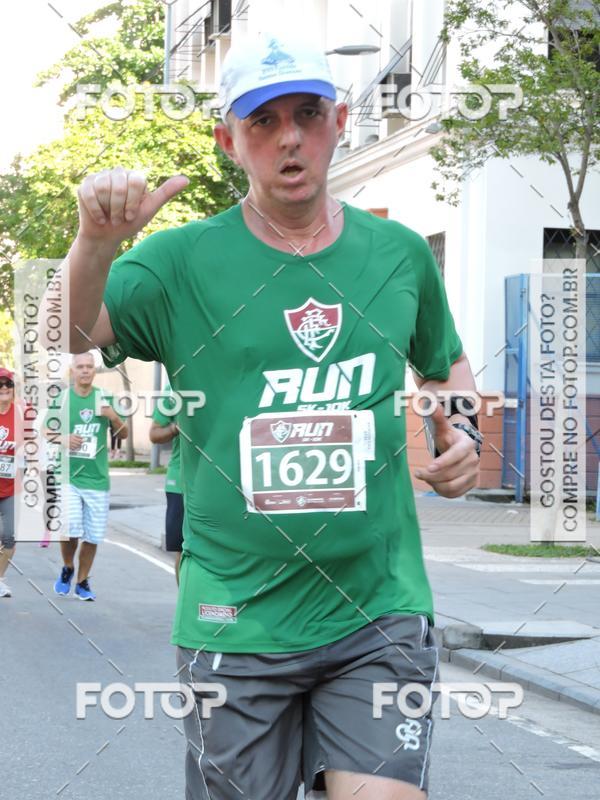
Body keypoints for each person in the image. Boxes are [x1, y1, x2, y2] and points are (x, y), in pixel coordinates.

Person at [48, 32, 483, 800]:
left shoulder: (399, 253)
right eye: (262, 121)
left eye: (308, 114)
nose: (289, 137)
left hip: (376, 609)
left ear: (339, 122)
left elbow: (443, 361)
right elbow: (64, 335)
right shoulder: (175, 263)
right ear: (229, 142)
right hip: (235, 620)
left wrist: (464, 435)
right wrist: (95, 247)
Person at [46, 353, 126, 601]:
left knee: (92, 536)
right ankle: (68, 566)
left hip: (97, 479)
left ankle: (82, 581)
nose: (85, 371)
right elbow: (48, 431)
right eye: (80, 366)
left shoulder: (105, 398)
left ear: (94, 370)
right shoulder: (63, 398)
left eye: (89, 367)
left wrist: (112, 415)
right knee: (70, 527)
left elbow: (122, 435)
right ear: (72, 370)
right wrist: (64, 439)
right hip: (68, 476)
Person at [149, 383, 184, 581]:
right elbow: (154, 434)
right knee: (182, 549)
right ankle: (184, 606)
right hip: (180, 482)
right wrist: (175, 428)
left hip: (216, 483)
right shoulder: (173, 386)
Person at [0, 368, 20, 597]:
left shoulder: (22, 414)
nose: (4, 388)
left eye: (8, 384)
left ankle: (0, 578)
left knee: (9, 537)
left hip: (11, 486)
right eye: (0, 384)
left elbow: (34, 444)